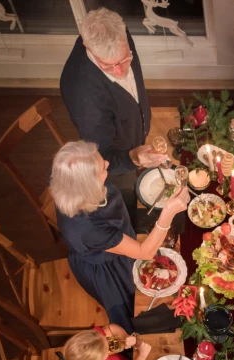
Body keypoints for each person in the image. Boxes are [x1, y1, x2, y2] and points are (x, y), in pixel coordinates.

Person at [50, 140, 188, 334]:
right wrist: (168, 213)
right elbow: (144, 252)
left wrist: (135, 157)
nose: (107, 163)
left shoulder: (68, 174)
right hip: (108, 267)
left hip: (115, 238)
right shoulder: (88, 228)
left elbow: (104, 164)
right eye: (102, 168)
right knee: (132, 306)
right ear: (89, 187)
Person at [60, 7, 166, 217]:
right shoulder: (84, 96)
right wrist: (134, 158)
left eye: (124, 59)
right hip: (116, 165)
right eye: (108, 67)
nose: (120, 72)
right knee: (126, 203)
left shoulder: (119, 36)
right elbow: (104, 155)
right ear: (87, 46)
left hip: (132, 136)